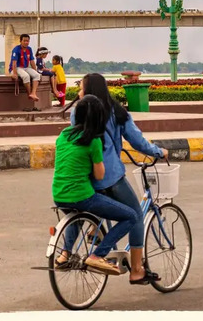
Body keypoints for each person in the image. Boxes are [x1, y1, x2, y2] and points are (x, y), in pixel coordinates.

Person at [70, 73, 167, 285]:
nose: (79, 92)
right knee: (135, 215)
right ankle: (137, 270)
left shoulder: (77, 112)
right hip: (110, 176)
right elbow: (137, 141)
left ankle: (86, 236)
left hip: (86, 175)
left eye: (82, 88)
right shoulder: (117, 112)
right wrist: (158, 152)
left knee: (85, 205)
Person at [52, 95, 140, 276]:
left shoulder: (63, 135)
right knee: (131, 216)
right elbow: (99, 175)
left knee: (76, 214)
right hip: (82, 196)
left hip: (59, 195)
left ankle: (64, 255)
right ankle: (98, 255)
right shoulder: (93, 141)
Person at [9, 33, 40, 102]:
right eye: (24, 41)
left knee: (37, 75)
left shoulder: (29, 49)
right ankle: (29, 94)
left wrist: (35, 71)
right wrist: (14, 73)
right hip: (16, 67)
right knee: (26, 76)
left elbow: (32, 61)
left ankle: (33, 93)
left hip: (25, 67)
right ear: (20, 41)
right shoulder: (16, 49)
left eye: (27, 41)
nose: (26, 42)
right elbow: (14, 63)